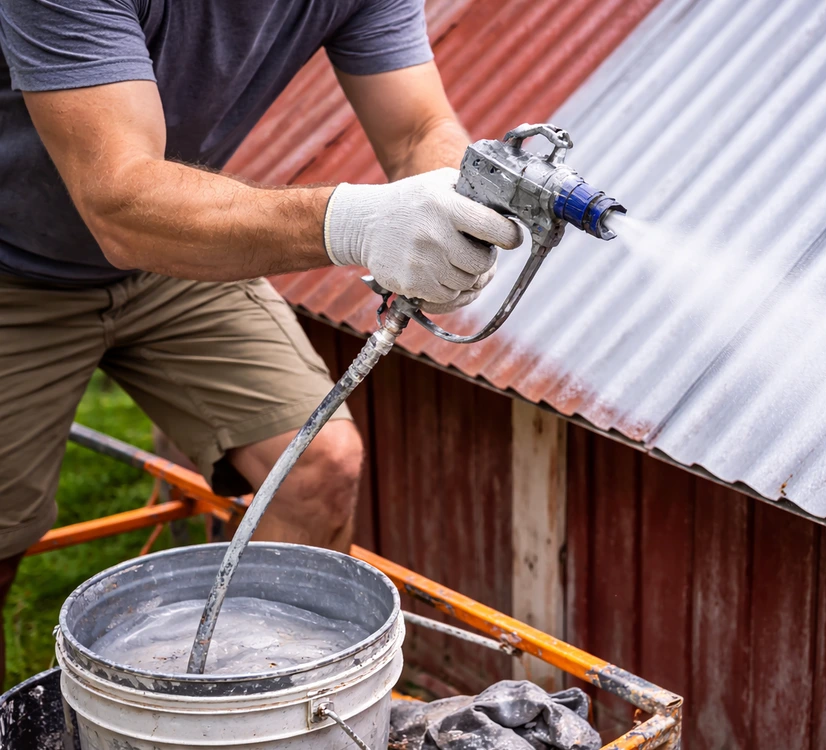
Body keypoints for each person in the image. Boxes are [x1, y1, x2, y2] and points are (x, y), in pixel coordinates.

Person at [0, 0, 522, 676]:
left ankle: (239, 711)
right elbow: (121, 203)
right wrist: (355, 221)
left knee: (318, 471)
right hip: (22, 263)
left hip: (174, 255)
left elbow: (418, 127)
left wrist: (450, 204)